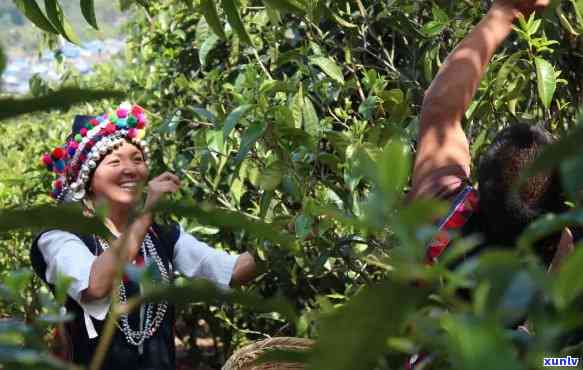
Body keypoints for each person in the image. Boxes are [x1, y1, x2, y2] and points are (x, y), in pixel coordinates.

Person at [30, 103, 258, 370]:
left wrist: (287, 241)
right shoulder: (59, 237)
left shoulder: (161, 236)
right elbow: (95, 286)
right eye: (115, 161)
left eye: (137, 159)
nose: (130, 169)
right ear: (88, 178)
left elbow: (230, 272)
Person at [409, 0, 575, 268]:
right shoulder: (561, 291)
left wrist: (506, 11)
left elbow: (440, 113)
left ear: (479, 195)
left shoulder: (439, 232)